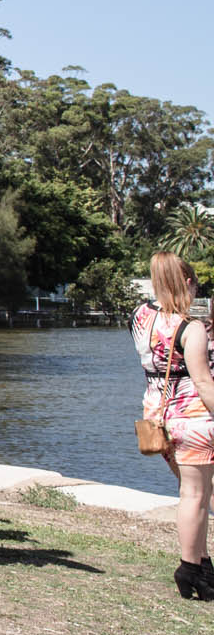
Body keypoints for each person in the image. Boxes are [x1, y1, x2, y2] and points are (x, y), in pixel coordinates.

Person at [131, 253, 214, 600]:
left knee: (192, 492)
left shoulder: (140, 316)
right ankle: (189, 568)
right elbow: (203, 381)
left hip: (158, 416)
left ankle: (203, 565)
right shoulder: (190, 328)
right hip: (192, 417)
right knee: (196, 496)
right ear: (188, 283)